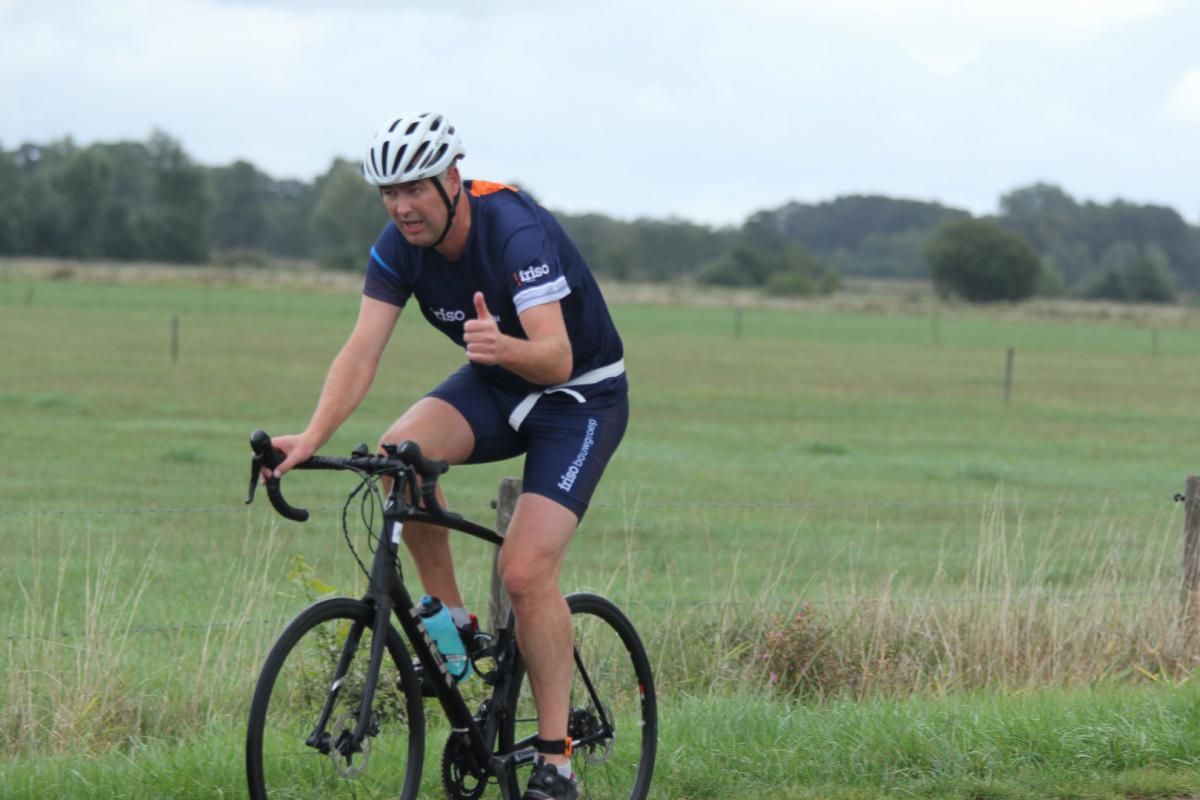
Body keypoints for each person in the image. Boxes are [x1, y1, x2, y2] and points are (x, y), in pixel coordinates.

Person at [266, 111, 627, 800]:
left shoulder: (513, 228)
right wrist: (309, 438)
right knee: (400, 455)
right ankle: (455, 630)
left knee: (524, 573)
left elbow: (556, 356)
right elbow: (361, 351)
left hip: (578, 398)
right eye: (388, 193)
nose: (402, 206)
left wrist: (505, 348)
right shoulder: (397, 247)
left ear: (452, 180)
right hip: (495, 381)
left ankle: (557, 761)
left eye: (416, 189)